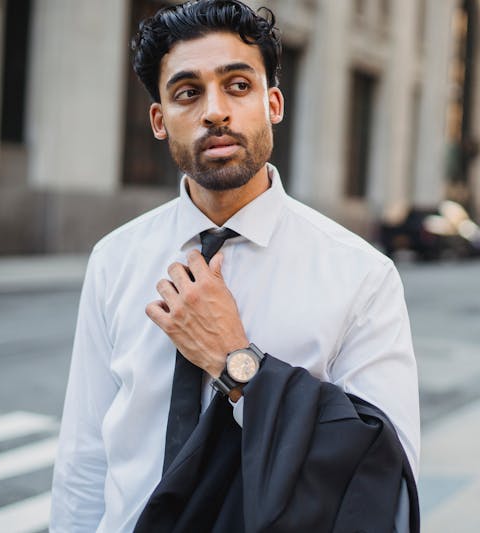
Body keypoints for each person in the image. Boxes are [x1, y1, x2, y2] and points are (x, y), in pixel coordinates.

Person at [50, 1, 420, 531]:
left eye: (238, 86)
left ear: (273, 103)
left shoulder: (361, 275)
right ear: (160, 120)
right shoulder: (114, 259)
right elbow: (85, 458)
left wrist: (235, 362)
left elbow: (383, 468)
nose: (215, 111)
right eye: (187, 93)